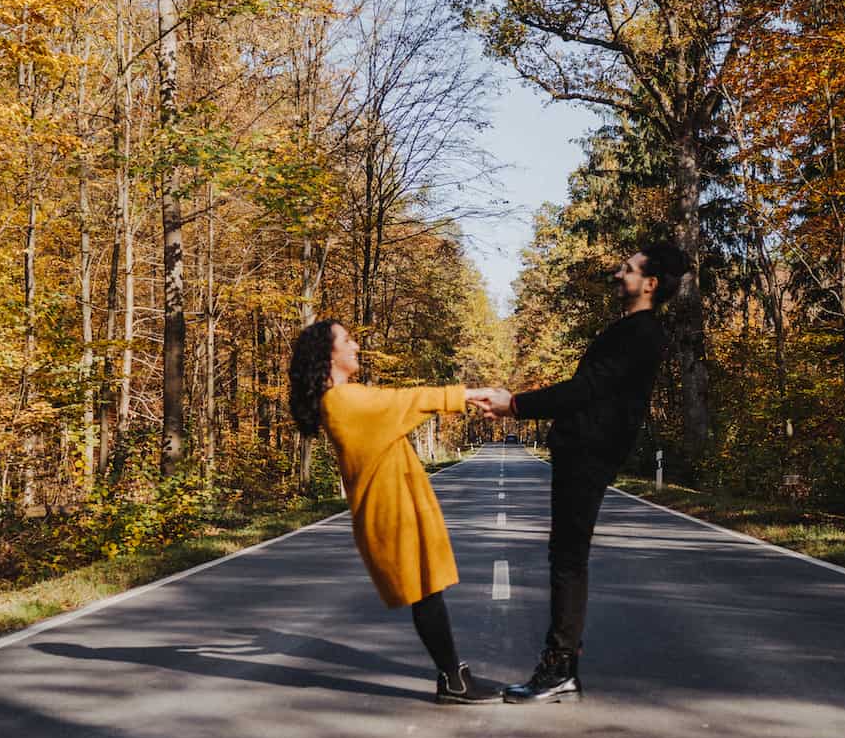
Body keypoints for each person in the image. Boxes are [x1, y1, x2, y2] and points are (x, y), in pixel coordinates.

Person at [471, 242, 689, 704]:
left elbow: (586, 390)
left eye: (627, 269)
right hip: (584, 450)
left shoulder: (642, 333)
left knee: (568, 559)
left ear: (649, 283)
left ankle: (559, 668)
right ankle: (562, 661)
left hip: (591, 452)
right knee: (566, 556)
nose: (617, 273)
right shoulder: (631, 329)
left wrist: (515, 405)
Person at [289, 319, 500, 705]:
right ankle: (453, 680)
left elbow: (399, 403)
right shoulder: (343, 401)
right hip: (391, 510)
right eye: (347, 340)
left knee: (427, 591)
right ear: (328, 354)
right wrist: (473, 393)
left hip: (395, 505)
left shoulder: (344, 398)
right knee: (425, 591)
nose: (356, 346)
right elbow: (407, 400)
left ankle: (453, 676)